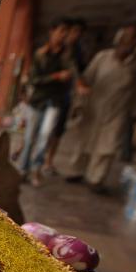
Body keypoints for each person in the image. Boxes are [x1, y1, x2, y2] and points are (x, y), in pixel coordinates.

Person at [63, 24, 136, 193]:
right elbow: (86, 78)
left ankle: (96, 178)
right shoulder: (103, 57)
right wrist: (80, 94)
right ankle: (76, 171)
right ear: (119, 40)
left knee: (108, 146)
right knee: (84, 141)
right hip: (94, 106)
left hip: (118, 110)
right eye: (127, 39)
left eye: (134, 39)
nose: (129, 43)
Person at [15, 18, 73, 187]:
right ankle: (22, 169)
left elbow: (73, 74)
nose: (63, 36)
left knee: (45, 136)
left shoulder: (67, 56)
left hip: (55, 102)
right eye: (61, 31)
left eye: (66, 33)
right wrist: (55, 77)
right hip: (38, 100)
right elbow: (34, 80)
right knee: (30, 136)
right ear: (52, 32)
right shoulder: (41, 54)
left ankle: (36, 169)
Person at [43, 18, 87, 174]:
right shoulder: (52, 49)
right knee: (42, 130)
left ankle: (48, 161)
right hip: (47, 97)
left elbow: (76, 72)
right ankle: (34, 157)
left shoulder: (76, 52)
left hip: (64, 98)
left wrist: (79, 85)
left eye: (78, 33)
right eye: (72, 32)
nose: (73, 35)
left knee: (57, 131)